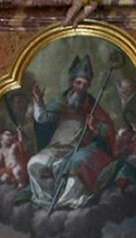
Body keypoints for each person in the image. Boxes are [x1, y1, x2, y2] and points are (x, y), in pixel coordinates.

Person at [27, 54, 117, 209]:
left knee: (74, 167)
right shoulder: (60, 102)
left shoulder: (92, 106)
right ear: (71, 82)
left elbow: (108, 128)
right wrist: (38, 101)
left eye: (85, 84)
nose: (81, 88)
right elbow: (42, 118)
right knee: (34, 164)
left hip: (78, 148)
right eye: (78, 83)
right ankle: (45, 199)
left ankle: (67, 202)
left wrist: (94, 126)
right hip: (56, 147)